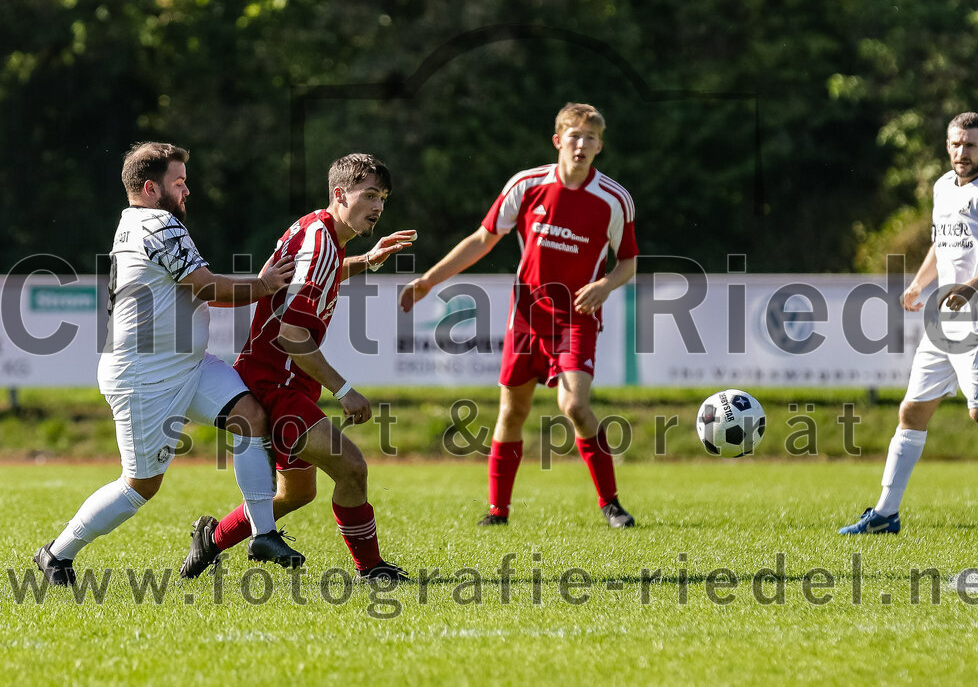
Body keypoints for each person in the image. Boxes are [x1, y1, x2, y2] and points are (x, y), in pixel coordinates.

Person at [34, 142, 304, 586]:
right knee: (140, 486)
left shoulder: (133, 221)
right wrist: (263, 285)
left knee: (249, 415)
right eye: (178, 182)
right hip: (145, 378)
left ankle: (263, 533)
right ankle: (57, 553)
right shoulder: (159, 222)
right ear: (149, 188)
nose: (187, 191)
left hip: (185, 365)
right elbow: (206, 287)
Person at [400, 102, 639, 528]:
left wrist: (604, 285)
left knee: (575, 406)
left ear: (600, 145)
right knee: (512, 412)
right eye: (573, 136)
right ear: (557, 140)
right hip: (527, 318)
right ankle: (498, 511)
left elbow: (628, 263)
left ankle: (611, 504)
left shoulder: (613, 199)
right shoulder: (527, 185)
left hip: (576, 318)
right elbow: (482, 239)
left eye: (590, 138)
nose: (580, 144)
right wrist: (429, 280)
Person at [180, 153, 416, 581]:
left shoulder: (314, 230)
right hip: (276, 384)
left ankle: (211, 541)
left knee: (297, 492)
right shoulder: (322, 243)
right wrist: (344, 390)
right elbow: (292, 335)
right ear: (340, 194)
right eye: (370, 195)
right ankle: (372, 568)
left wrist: (368, 261)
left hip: (279, 379)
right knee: (352, 468)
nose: (378, 206)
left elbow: (316, 275)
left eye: (383, 197)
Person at [840, 112, 978, 534]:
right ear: (947, 145)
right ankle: (885, 515)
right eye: (956, 144)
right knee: (912, 410)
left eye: (972, 145)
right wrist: (919, 284)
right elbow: (941, 244)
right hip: (944, 314)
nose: (963, 152)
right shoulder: (942, 186)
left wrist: (975, 286)